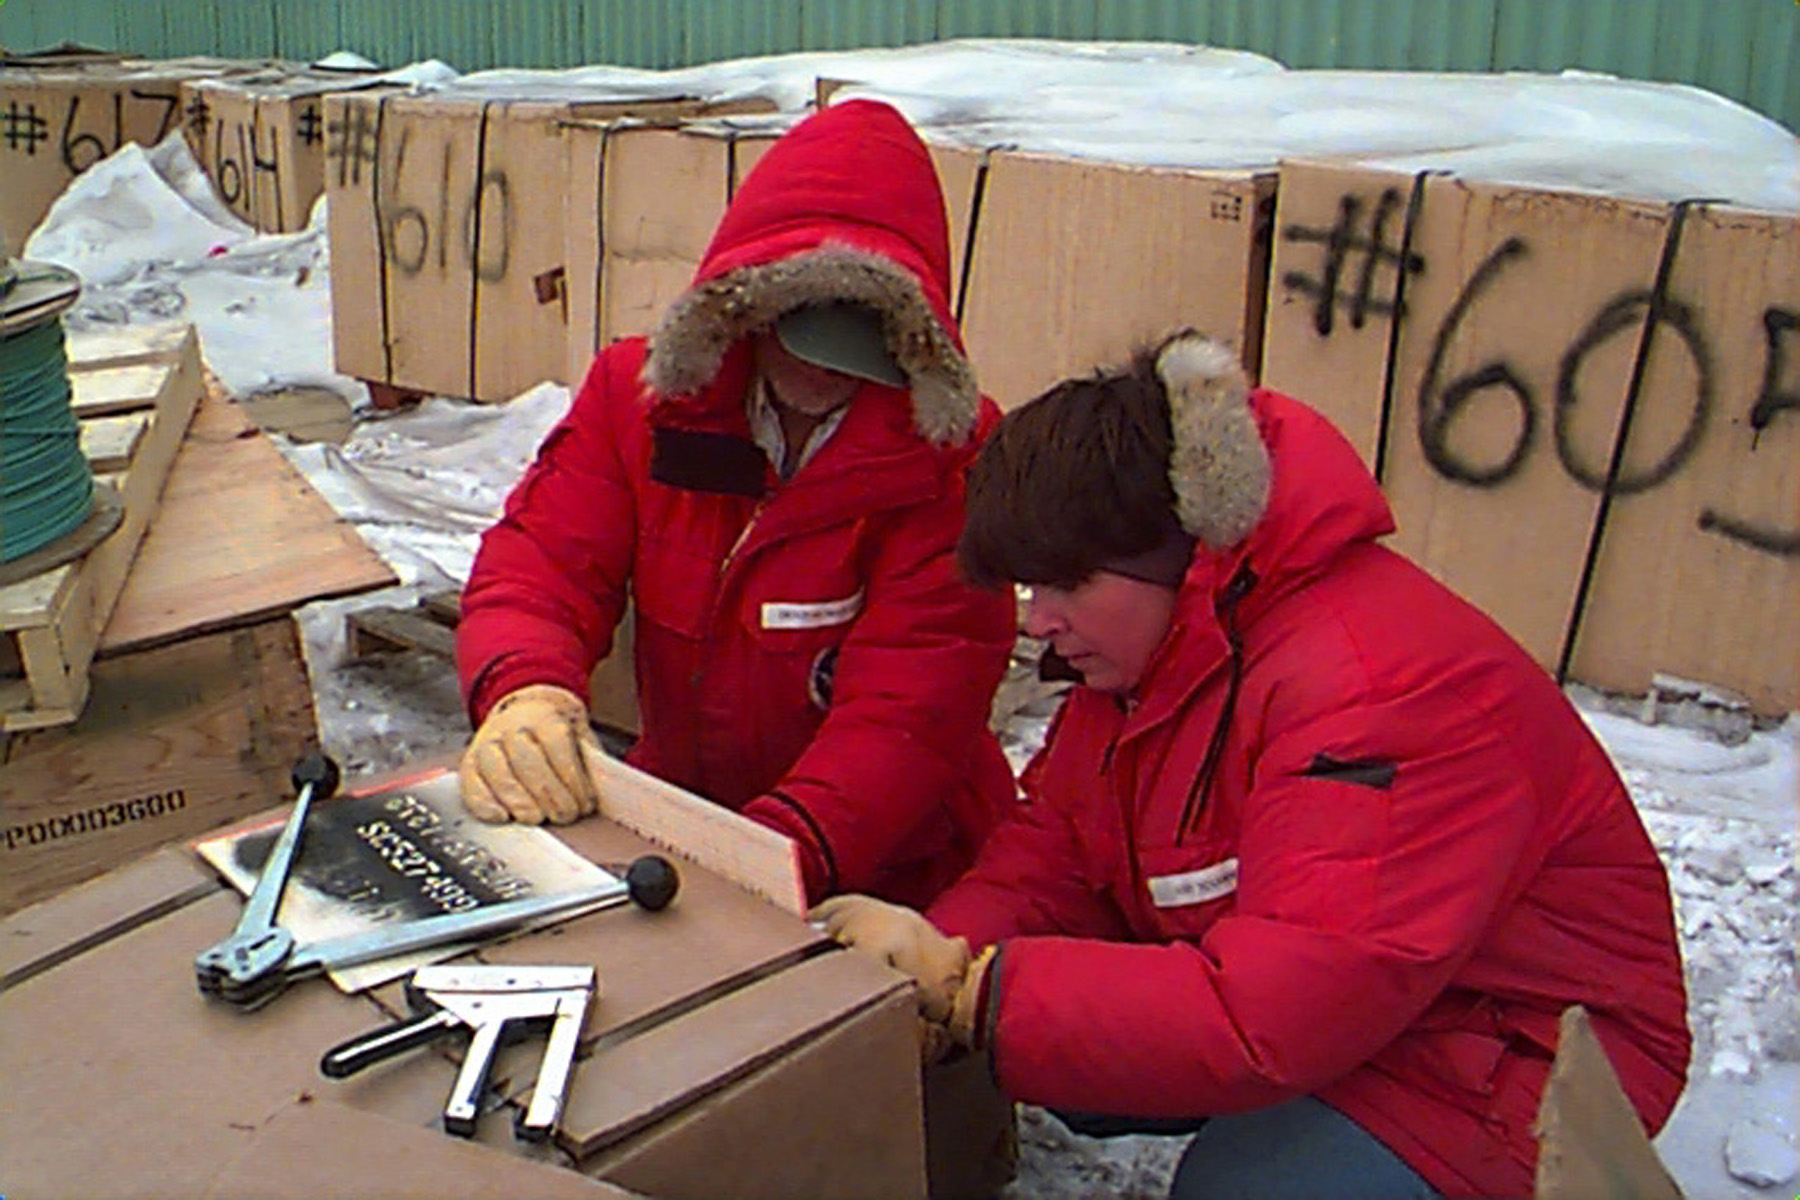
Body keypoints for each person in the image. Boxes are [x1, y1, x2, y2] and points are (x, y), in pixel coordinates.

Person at [813, 330, 1691, 1198]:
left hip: (1521, 1052)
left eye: (1066, 585)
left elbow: (1271, 1020)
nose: (1038, 621)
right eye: (1029, 590)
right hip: (1381, 997)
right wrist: (939, 960)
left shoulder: (1373, 696)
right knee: (1060, 1061)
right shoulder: (1161, 653)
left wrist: (978, 993)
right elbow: (1056, 850)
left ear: (1174, 555)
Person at [454, 99, 1018, 908]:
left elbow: (911, 709)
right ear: (748, 307)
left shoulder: (948, 465)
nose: (832, 374)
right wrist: (524, 687)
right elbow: (542, 562)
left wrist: (773, 859)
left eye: (871, 344)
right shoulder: (638, 402)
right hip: (687, 829)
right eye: (810, 333)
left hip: (890, 872)